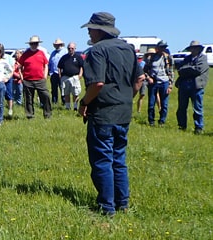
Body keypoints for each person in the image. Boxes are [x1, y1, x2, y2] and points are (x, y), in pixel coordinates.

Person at [78, 12, 144, 216]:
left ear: (100, 30)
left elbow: (97, 83)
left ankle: (106, 207)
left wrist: (84, 102)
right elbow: (139, 80)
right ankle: (122, 203)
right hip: (123, 113)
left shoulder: (96, 51)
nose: (88, 31)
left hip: (103, 114)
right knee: (119, 158)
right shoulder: (128, 49)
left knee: (102, 159)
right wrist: (125, 98)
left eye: (91, 28)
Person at [175, 40, 209, 135]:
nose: (193, 50)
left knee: (197, 108)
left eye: (195, 48)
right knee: (181, 107)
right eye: (191, 48)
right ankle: (181, 126)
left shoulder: (203, 58)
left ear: (199, 49)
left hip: (196, 86)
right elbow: (180, 69)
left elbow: (198, 70)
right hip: (184, 85)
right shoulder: (187, 58)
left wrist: (187, 69)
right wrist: (189, 69)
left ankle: (198, 127)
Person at [18, 35, 52, 119]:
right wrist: (21, 77)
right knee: (28, 99)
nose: (34, 45)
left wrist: (45, 76)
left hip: (40, 80)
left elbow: (46, 65)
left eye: (36, 43)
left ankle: (47, 115)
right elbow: (19, 66)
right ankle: (30, 115)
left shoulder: (41, 53)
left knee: (46, 96)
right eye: (32, 43)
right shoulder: (25, 54)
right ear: (30, 44)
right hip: (27, 80)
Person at [143, 40, 174, 126]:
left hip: (165, 82)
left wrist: (170, 85)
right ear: (157, 48)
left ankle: (162, 121)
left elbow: (171, 72)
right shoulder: (151, 58)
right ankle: (151, 121)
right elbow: (144, 70)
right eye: (161, 47)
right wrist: (148, 77)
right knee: (151, 103)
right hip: (153, 82)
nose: (162, 49)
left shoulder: (168, 58)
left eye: (164, 47)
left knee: (164, 104)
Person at [57, 42, 84, 111]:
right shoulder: (64, 57)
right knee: (66, 93)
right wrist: (60, 75)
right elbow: (59, 67)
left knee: (75, 93)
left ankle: (75, 107)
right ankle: (67, 107)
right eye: (69, 48)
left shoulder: (78, 57)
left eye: (72, 48)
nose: (70, 49)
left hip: (75, 77)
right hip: (65, 77)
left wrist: (80, 75)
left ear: (75, 48)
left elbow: (82, 66)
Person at [136, 48, 156, 113]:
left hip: (152, 79)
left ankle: (159, 108)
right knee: (142, 94)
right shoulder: (143, 62)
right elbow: (141, 70)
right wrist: (147, 77)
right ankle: (138, 110)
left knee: (156, 94)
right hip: (145, 79)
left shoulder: (154, 61)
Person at [48, 38, 67, 105]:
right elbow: (50, 62)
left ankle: (64, 102)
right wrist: (49, 71)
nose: (57, 46)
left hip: (62, 74)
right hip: (53, 73)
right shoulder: (53, 52)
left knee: (63, 89)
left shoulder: (65, 51)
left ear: (61, 44)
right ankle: (54, 102)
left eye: (58, 45)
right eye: (56, 45)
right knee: (54, 89)